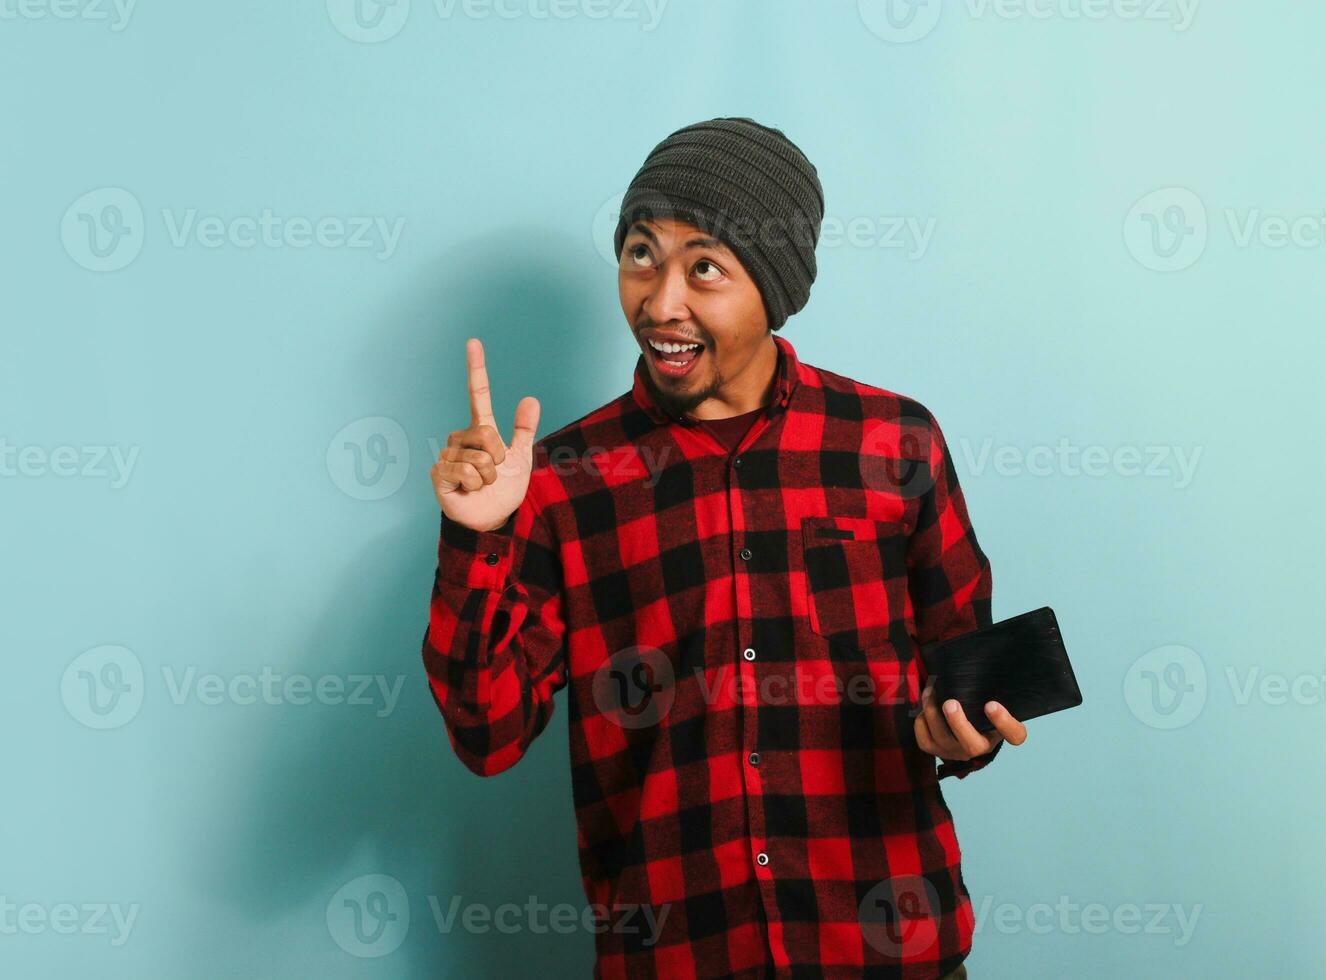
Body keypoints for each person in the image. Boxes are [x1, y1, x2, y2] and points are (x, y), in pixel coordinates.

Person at [422, 116, 1027, 979]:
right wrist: (474, 541)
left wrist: (965, 730)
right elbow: (486, 736)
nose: (661, 301)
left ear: (774, 288)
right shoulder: (562, 481)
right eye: (640, 253)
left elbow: (968, 674)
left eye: (704, 266)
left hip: (888, 949)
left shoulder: (894, 443)